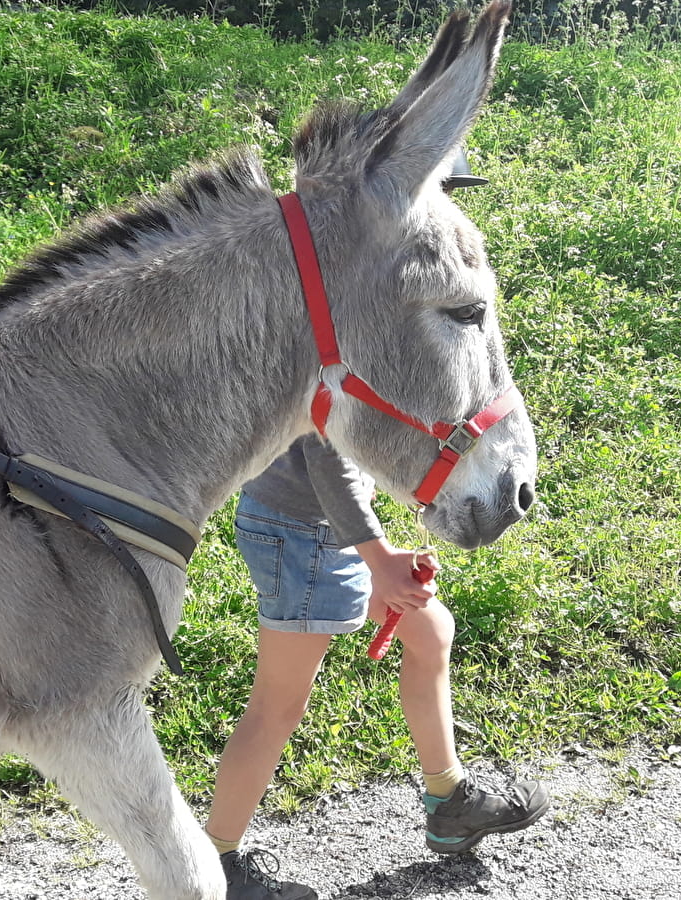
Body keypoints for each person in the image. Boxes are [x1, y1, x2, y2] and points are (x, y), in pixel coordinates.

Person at [207, 155, 550, 900]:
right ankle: (217, 864)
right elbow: (325, 457)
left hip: (327, 526)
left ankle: (449, 804)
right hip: (301, 529)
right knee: (278, 707)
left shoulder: (387, 295)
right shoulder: (344, 300)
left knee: (431, 636)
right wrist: (377, 553)